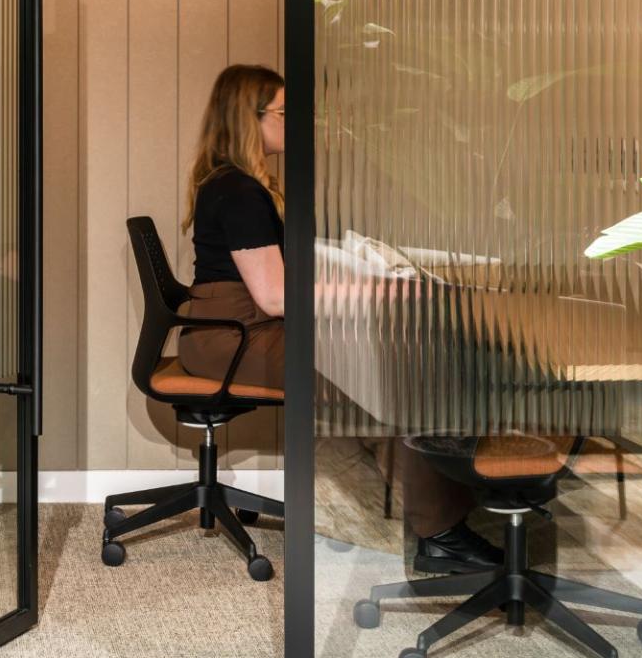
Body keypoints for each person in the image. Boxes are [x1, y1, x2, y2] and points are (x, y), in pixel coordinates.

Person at [178, 63, 503, 575]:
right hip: (238, 337)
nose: (294, 122)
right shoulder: (239, 191)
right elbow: (275, 297)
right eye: (284, 113)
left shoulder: (237, 183)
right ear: (250, 117)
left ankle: (435, 512)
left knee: (398, 361)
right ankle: (440, 531)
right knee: (396, 370)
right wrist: (368, 288)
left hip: (235, 327)